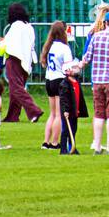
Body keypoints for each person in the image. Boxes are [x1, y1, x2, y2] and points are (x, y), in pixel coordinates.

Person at [81, 9, 109, 154]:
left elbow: (86, 58)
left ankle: (97, 146)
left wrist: (76, 67)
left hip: (97, 81)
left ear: (105, 23)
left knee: (99, 114)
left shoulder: (96, 36)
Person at [0, 3, 42, 124]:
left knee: (16, 88)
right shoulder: (29, 27)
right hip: (26, 60)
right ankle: (12, 116)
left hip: (13, 59)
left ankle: (34, 111)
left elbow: (9, 44)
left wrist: (2, 42)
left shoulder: (15, 26)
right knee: (16, 89)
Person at [39, 20, 74, 150]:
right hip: (59, 80)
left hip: (49, 80)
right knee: (59, 114)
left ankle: (46, 141)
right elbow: (68, 68)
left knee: (52, 113)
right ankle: (54, 142)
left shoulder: (49, 46)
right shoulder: (64, 48)